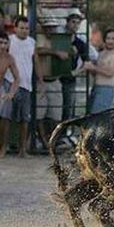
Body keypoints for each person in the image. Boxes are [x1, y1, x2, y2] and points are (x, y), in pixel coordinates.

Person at [1, 16, 42, 158]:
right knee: (5, 117)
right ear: (15, 28)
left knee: (25, 119)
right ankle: (3, 148)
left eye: (26, 28)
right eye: (21, 28)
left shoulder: (32, 42)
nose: (24, 31)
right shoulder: (10, 40)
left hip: (26, 85)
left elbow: (35, 61)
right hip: (9, 82)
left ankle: (22, 149)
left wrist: (40, 80)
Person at [35, 21, 66, 150]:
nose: (50, 30)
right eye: (48, 27)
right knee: (39, 114)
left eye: (53, 27)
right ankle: (43, 141)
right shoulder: (38, 38)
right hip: (41, 81)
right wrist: (55, 52)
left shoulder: (60, 40)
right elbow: (37, 51)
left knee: (56, 114)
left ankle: (52, 141)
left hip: (55, 81)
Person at [83, 29, 114, 114]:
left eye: (113, 38)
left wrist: (93, 67)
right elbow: (96, 73)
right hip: (96, 87)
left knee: (97, 117)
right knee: (89, 115)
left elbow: (110, 73)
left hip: (106, 89)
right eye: (108, 38)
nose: (110, 41)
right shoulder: (101, 54)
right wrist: (89, 68)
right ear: (104, 40)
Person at [60, 12, 88, 121]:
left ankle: (65, 134)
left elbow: (87, 63)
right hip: (55, 78)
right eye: (73, 22)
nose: (75, 25)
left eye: (78, 23)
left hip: (70, 79)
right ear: (67, 23)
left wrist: (76, 72)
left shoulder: (80, 43)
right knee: (54, 110)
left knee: (68, 108)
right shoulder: (59, 39)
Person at [0, 31, 20, 157]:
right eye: (0, 42)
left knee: (5, 116)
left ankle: (3, 146)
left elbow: (17, 78)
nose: (2, 46)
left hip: (2, 87)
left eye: (5, 43)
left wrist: (11, 93)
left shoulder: (9, 58)